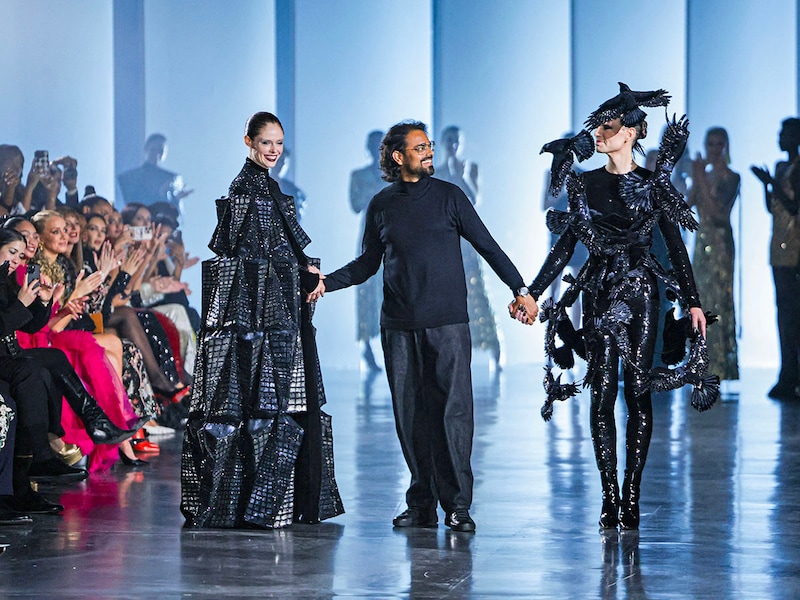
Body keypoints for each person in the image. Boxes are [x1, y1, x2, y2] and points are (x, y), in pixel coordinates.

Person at [309, 120, 537, 533]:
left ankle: (458, 505)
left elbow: (487, 245)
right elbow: (367, 264)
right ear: (399, 157)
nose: (429, 152)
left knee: (453, 415)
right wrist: (328, 282)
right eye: (420, 148)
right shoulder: (382, 204)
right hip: (399, 326)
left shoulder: (450, 197)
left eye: (429, 146)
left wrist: (520, 289)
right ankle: (422, 503)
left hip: (447, 324)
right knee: (411, 417)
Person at [526, 83, 715, 531]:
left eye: (607, 127)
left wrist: (693, 303)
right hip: (599, 293)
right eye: (597, 128)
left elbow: (675, 246)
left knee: (638, 391)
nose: (599, 134)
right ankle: (609, 494)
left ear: (630, 133)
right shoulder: (584, 183)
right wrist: (532, 292)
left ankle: (631, 493)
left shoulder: (653, 185)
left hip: (642, 293)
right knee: (602, 392)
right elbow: (565, 245)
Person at [181, 111, 343, 529]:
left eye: (279, 144)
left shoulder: (264, 186)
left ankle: (265, 503)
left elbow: (273, 252)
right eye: (266, 142)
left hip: (271, 315)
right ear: (248, 142)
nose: (273, 151)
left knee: (272, 405)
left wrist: (304, 272)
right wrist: (303, 274)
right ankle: (256, 505)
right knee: (262, 407)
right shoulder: (246, 190)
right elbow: (251, 259)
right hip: (259, 321)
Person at [437, 126, 502, 370]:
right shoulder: (435, 173)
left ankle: (493, 348)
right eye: (449, 141)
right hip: (444, 240)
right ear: (443, 143)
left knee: (476, 291)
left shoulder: (470, 168)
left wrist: (460, 176)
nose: (453, 145)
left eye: (456, 141)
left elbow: (474, 199)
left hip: (466, 240)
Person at [751, 117, 800, 401]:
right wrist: (766, 185)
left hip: (795, 246)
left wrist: (772, 183)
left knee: (793, 311)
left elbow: (794, 206)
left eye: (786, 134)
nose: (781, 138)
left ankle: (792, 375)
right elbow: (774, 207)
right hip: (779, 245)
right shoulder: (782, 167)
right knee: (784, 310)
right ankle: (787, 373)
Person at [688, 127, 740, 382]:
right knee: (700, 299)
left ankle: (719, 364)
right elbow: (688, 205)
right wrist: (696, 178)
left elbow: (717, 212)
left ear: (726, 147)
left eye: (719, 144)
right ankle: (700, 361)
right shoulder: (703, 175)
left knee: (719, 298)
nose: (715, 149)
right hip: (701, 243)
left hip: (720, 244)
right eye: (710, 144)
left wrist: (700, 177)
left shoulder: (732, 178)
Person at [348, 130, 387, 372]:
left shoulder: (396, 175)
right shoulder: (359, 175)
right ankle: (366, 344)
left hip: (392, 234)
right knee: (366, 288)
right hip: (369, 235)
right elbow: (355, 205)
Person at [117, 133, 193, 218]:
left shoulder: (171, 178)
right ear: (146, 149)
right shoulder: (130, 178)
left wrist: (176, 199)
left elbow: (177, 215)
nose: (157, 153)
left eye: (160, 150)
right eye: (153, 149)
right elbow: (132, 205)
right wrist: (161, 193)